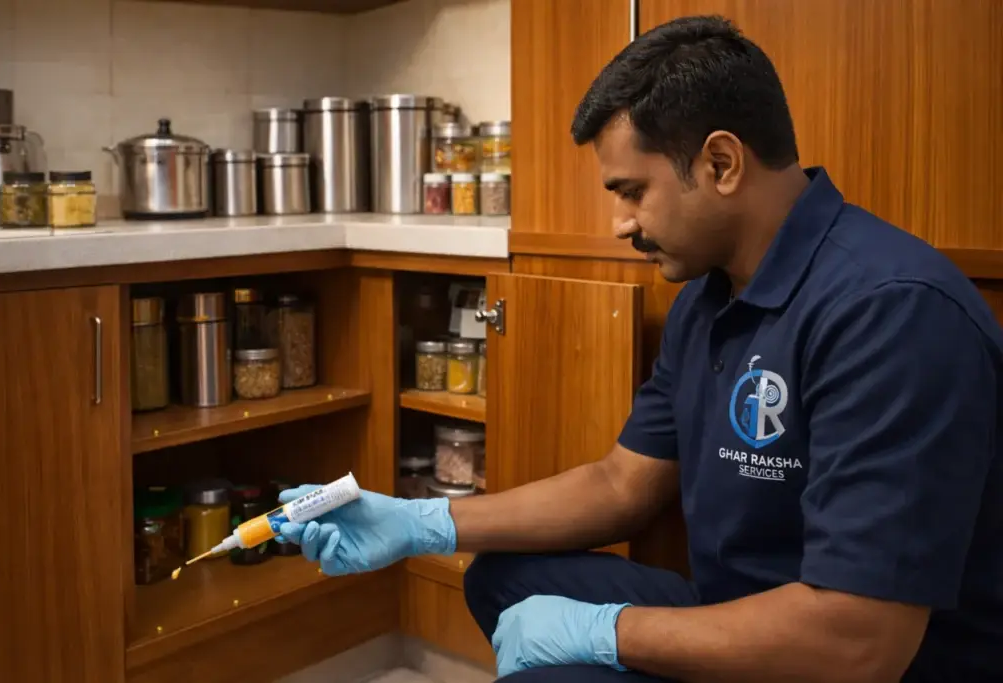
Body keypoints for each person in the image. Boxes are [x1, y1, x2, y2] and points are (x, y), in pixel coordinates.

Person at [278, 15, 1003, 683]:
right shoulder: (707, 301)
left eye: (632, 191)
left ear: (721, 163)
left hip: (855, 656)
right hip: (743, 612)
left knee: (559, 669)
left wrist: (603, 631)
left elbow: (861, 643)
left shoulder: (892, 313)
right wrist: (418, 521)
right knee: (501, 578)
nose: (621, 223)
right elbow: (620, 484)